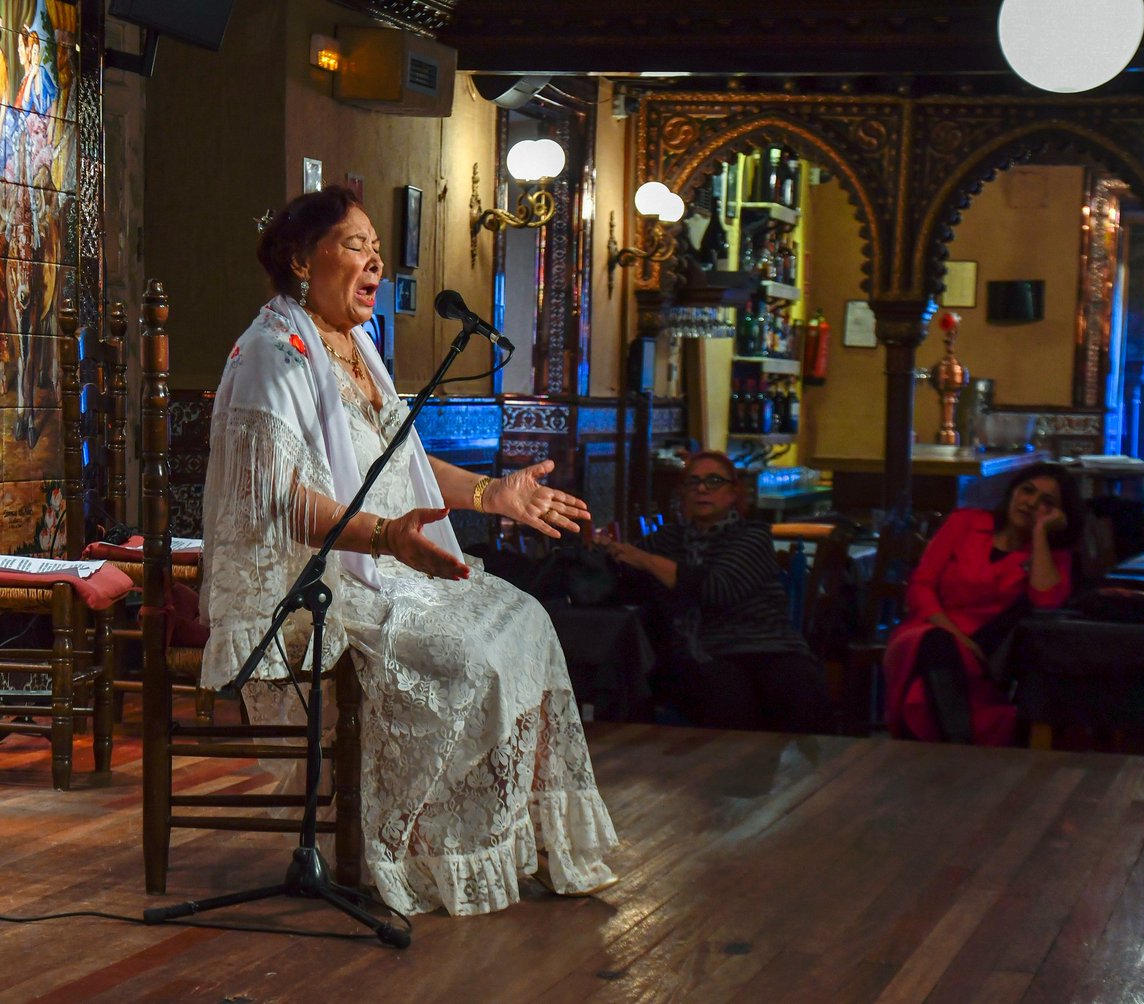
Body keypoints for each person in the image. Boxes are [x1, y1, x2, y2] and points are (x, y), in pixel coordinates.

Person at [199, 186, 617, 917]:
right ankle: (416, 846)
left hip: (390, 568)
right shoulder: (274, 351)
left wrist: (491, 494)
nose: (375, 264)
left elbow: (404, 462)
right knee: (468, 656)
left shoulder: (357, 346)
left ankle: (518, 842)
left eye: (377, 251)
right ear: (302, 258)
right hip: (316, 587)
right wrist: (387, 537)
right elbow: (280, 501)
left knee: (526, 624)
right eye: (356, 246)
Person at [599, 450, 835, 733]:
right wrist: (608, 554)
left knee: (798, 687)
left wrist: (647, 561)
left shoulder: (752, 536)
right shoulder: (667, 539)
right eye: (693, 482)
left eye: (713, 481)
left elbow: (717, 588)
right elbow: (627, 578)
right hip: (702, 650)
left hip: (766, 646)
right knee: (723, 691)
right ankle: (729, 773)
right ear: (683, 494)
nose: (702, 489)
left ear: (733, 493)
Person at [882, 461, 1083, 746]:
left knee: (923, 696)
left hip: (982, 656)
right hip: (924, 632)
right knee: (936, 643)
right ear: (1013, 491)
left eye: (1046, 502)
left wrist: (1040, 533)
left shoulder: (1051, 556)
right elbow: (920, 586)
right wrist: (957, 637)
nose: (1030, 503)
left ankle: (949, 753)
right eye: (1027, 491)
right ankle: (961, 748)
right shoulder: (966, 522)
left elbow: (1046, 602)